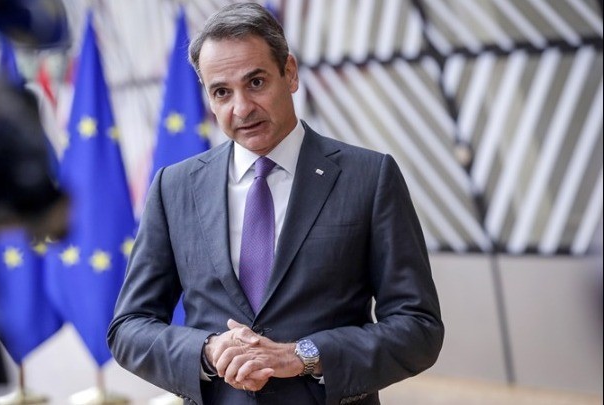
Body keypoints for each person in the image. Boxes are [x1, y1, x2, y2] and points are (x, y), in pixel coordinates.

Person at [107, 3, 444, 404]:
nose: (241, 108)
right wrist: (208, 352)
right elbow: (129, 327)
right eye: (221, 92)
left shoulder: (369, 178)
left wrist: (304, 356)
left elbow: (418, 328)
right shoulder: (174, 187)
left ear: (290, 73)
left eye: (256, 82)